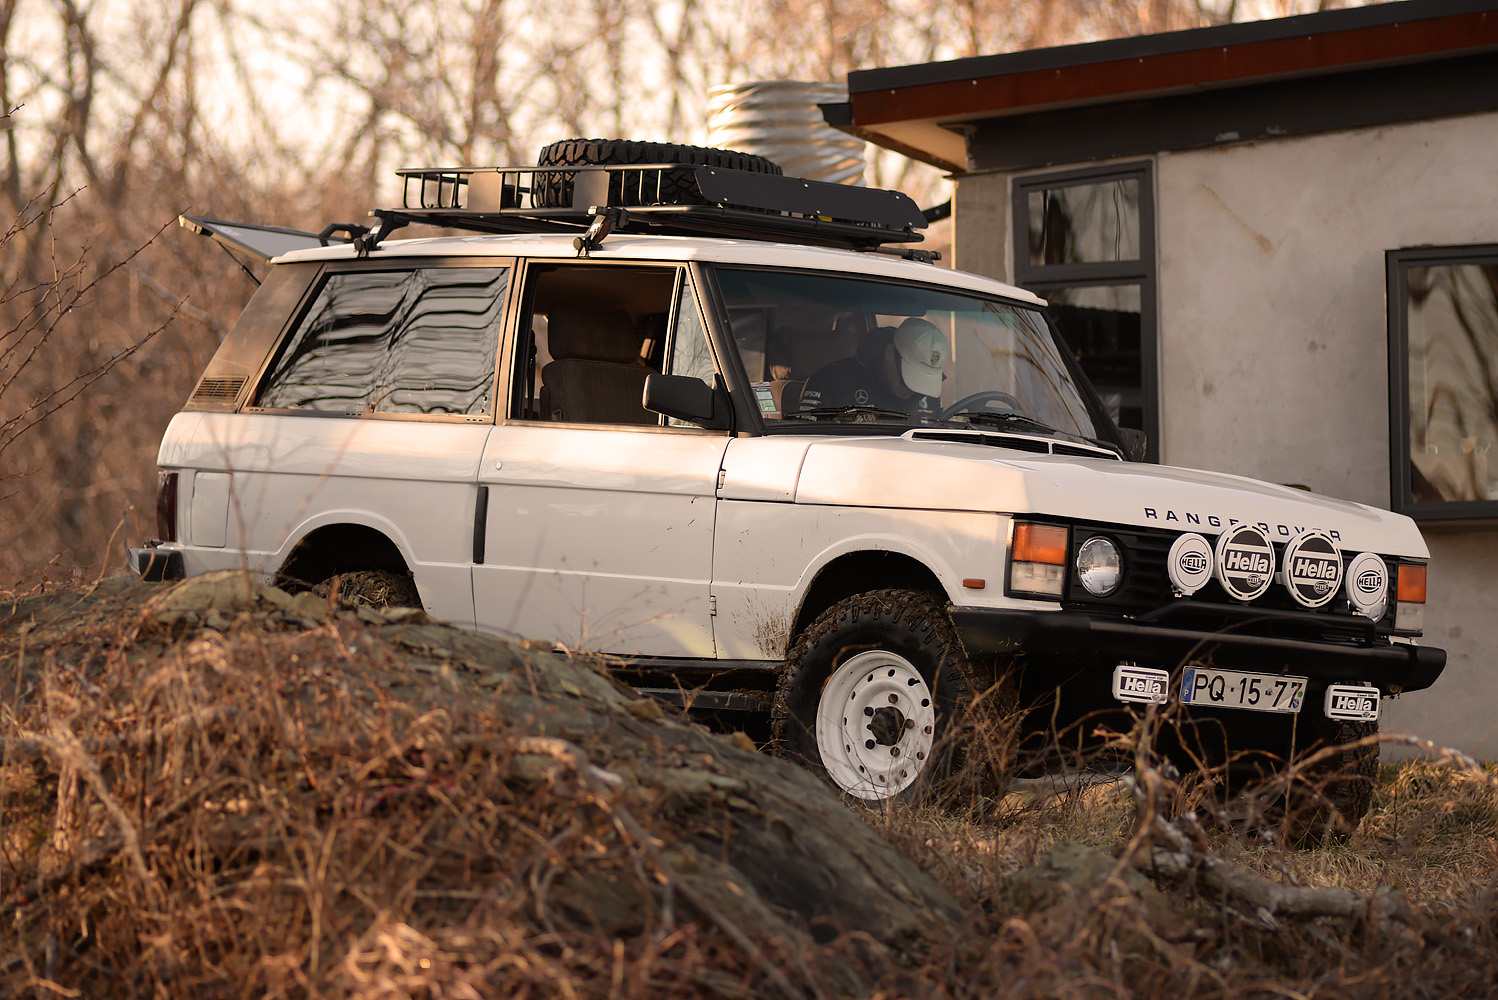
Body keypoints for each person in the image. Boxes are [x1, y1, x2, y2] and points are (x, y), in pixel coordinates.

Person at [798, 317, 947, 416]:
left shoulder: (930, 396)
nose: (914, 390)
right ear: (890, 352)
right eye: (910, 379)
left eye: (924, 383)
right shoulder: (829, 384)